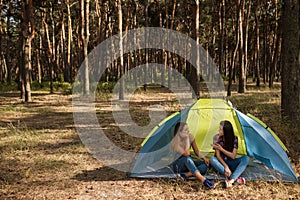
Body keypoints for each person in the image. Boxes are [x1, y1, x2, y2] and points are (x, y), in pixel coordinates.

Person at [170, 122, 215, 189]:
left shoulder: (190, 137)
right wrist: (187, 139)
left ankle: (186, 174)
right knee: (187, 159)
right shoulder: (175, 142)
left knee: (206, 165)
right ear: (179, 132)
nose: (188, 131)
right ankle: (204, 180)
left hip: (189, 164)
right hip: (178, 166)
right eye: (186, 130)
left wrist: (204, 158)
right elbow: (187, 153)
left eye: (188, 129)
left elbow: (196, 151)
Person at [210, 120, 250, 188]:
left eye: (220, 129)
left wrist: (221, 149)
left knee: (246, 158)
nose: (218, 130)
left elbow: (233, 156)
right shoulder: (216, 138)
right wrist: (226, 167)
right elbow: (218, 156)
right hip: (221, 163)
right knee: (212, 159)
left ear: (226, 131)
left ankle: (231, 180)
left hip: (231, 162)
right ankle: (235, 179)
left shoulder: (234, 138)